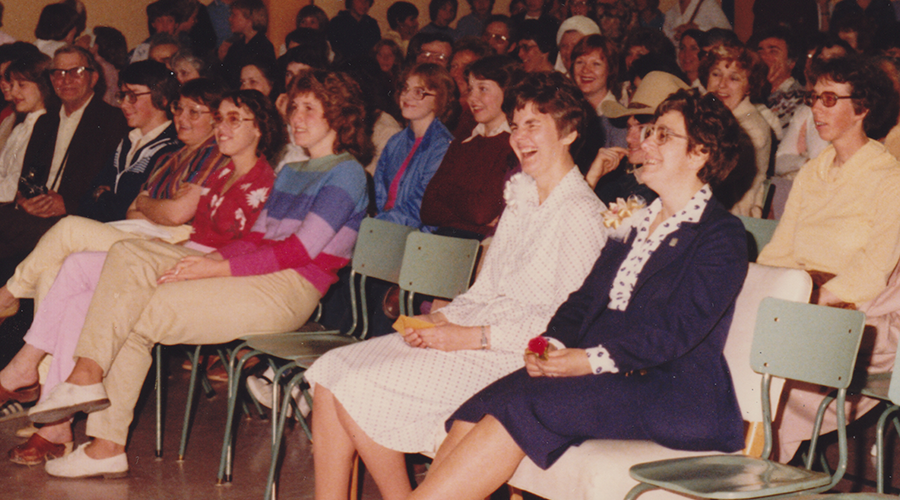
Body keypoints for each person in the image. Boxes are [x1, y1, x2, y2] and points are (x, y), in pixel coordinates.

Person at [408, 88, 747, 500]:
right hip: (614, 373)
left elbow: (674, 332)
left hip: (670, 390)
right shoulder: (637, 218)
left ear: (700, 153)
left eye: (664, 136)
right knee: (483, 402)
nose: (645, 143)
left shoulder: (720, 235)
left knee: (519, 407)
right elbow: (584, 300)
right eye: (651, 132)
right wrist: (548, 344)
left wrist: (588, 360)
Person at [29, 69, 370, 479]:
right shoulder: (294, 172)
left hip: (291, 289)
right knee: (127, 254)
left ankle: (102, 434)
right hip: (255, 275)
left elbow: (299, 251)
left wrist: (217, 267)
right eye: (294, 107)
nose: (296, 117)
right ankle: (90, 388)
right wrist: (213, 263)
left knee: (135, 313)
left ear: (339, 115)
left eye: (310, 109)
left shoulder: (346, 173)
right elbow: (257, 239)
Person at [305, 71, 607, 500]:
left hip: (514, 356)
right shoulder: (522, 193)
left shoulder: (579, 213)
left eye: (534, 125)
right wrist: (437, 320)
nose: (520, 137)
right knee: (333, 373)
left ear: (570, 133)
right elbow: (486, 290)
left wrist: (466, 336)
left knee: (358, 385)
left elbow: (559, 330)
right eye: (517, 125)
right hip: (476, 330)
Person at [0, 88, 275, 465]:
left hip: (209, 268)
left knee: (74, 251)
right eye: (221, 117)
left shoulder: (263, 181)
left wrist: (203, 256)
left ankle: (25, 366)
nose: (221, 128)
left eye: (232, 120)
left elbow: (238, 241)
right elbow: (140, 209)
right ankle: (54, 418)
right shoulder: (221, 170)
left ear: (258, 129)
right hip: (183, 250)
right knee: (77, 280)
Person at [756, 56, 900, 462]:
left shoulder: (890, 179)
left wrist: (808, 303)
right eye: (814, 97)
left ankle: (757, 464)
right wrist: (765, 291)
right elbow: (779, 250)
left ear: (863, 108)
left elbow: (873, 270)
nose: (815, 109)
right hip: (801, 304)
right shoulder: (812, 172)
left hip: (860, 317)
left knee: (771, 380)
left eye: (829, 99)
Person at [0, 78, 231, 325]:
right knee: (50, 273)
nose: (182, 118)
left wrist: (146, 204)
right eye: (179, 108)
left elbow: (176, 214)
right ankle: (49, 363)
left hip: (172, 245)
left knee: (69, 228)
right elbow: (133, 211)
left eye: (194, 112)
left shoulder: (213, 154)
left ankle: (6, 296)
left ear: (216, 119)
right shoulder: (170, 155)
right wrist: (149, 206)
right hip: (140, 233)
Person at [0, 45, 127, 279]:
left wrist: (68, 204)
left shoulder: (112, 121)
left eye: (75, 71)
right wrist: (24, 200)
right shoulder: (45, 121)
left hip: (76, 219)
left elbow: (113, 189)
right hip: (33, 214)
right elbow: (28, 177)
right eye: (58, 73)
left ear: (93, 77)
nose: (65, 80)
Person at [421, 55, 522, 239]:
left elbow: (481, 212)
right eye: (470, 89)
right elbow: (427, 210)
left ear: (507, 92)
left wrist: (445, 191)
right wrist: (471, 210)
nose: (472, 98)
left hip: (478, 246)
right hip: (443, 239)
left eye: (483, 89)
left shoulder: (513, 144)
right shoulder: (465, 139)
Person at [79, 60, 182, 223]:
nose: (124, 104)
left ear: (162, 99)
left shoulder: (170, 148)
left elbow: (128, 210)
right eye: (122, 96)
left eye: (133, 96)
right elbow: (88, 196)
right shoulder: (128, 140)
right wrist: (103, 196)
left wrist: (102, 195)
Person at [374, 63, 456, 230]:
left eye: (419, 92)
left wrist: (378, 226)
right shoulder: (395, 141)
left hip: (418, 236)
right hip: (386, 228)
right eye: (406, 89)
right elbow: (379, 192)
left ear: (438, 100)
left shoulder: (443, 146)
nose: (407, 96)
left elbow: (422, 204)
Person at [587, 70, 688, 205]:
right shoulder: (627, 182)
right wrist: (592, 177)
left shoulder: (674, 192)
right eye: (629, 128)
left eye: (642, 129)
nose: (629, 138)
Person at [701, 42, 773, 216]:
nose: (722, 85)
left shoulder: (752, 129)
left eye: (734, 78)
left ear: (749, 86)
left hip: (732, 216)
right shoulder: (711, 114)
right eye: (716, 74)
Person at [0, 53, 54, 204]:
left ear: (43, 85)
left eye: (21, 85)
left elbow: (17, 186)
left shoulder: (45, 131)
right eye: (12, 85)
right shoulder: (20, 128)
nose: (14, 92)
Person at [570, 35, 626, 149]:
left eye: (596, 64)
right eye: (580, 62)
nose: (585, 70)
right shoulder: (569, 111)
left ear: (610, 69)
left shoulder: (618, 119)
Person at [218, 0, 275, 89]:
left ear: (249, 19)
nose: (230, 19)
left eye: (234, 15)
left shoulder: (264, 46)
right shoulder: (236, 46)